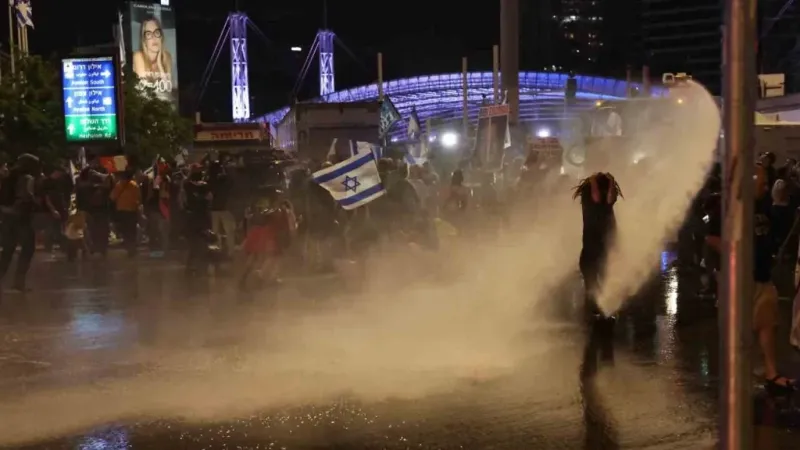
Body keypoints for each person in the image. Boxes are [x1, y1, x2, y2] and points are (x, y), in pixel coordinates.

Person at [708, 163, 795, 393]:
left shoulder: (763, 204)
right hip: (740, 279)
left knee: (768, 323)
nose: (767, 188)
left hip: (763, 275)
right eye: (763, 184)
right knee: (738, 328)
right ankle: (734, 375)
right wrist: (734, 253)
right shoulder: (729, 206)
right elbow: (711, 236)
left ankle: (770, 373)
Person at [573, 172, 622, 322]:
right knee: (592, 279)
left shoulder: (606, 200)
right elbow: (597, 198)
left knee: (604, 276)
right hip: (592, 244)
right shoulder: (588, 197)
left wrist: (612, 181)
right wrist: (593, 180)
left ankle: (601, 310)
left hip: (604, 244)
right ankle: (594, 311)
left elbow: (610, 199)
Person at [0, 154, 40, 292]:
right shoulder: (27, 178)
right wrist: (36, 203)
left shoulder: (8, 177)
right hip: (21, 218)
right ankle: (19, 282)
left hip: (7, 217)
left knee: (8, 251)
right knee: (28, 249)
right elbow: (26, 196)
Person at [132, 15, 173, 102]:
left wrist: (160, 64)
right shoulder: (138, 57)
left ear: (161, 36)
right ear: (144, 40)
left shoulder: (167, 57)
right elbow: (143, 93)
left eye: (156, 32)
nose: (154, 38)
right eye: (148, 34)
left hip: (164, 108)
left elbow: (168, 92)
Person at [208, 160, 236, 256]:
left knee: (215, 232)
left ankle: (217, 251)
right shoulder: (225, 179)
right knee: (229, 232)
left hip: (214, 209)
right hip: (225, 208)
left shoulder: (210, 181)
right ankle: (230, 252)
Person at [110, 170, 141, 257]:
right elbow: (139, 198)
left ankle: (128, 247)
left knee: (125, 230)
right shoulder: (135, 185)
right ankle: (132, 248)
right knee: (132, 230)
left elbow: (112, 197)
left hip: (122, 211)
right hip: (132, 210)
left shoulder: (119, 185)